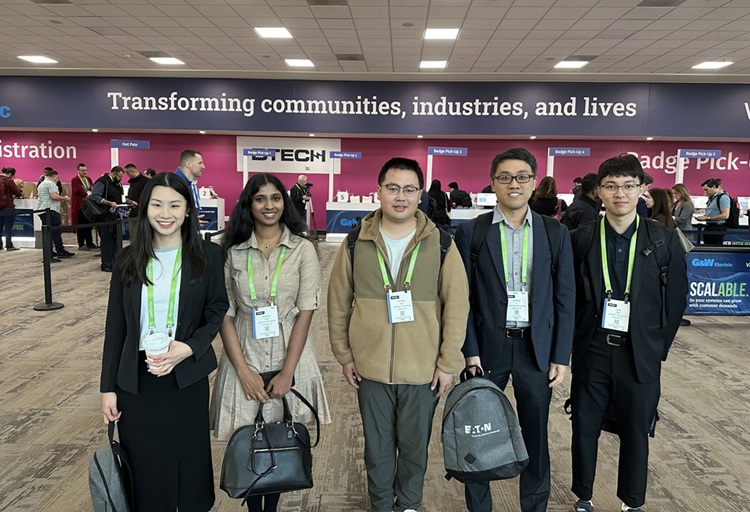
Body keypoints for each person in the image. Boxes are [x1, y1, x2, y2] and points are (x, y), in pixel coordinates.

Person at [328, 157, 469, 512]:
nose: (400, 197)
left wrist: (448, 362)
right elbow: (338, 301)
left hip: (423, 370)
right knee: (376, 450)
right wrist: (344, 355)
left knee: (414, 448)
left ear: (420, 194)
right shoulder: (356, 241)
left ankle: (407, 504)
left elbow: (457, 305)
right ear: (379, 191)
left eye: (409, 189)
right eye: (393, 188)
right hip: (371, 367)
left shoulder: (441, 243)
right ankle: (381, 505)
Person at [454, 147, 575, 512]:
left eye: (522, 177)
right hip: (487, 349)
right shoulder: (472, 232)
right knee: (478, 434)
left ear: (534, 182)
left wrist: (560, 355)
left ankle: (534, 506)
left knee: (535, 437)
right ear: (492, 183)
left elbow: (565, 297)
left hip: (535, 350)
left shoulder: (555, 232)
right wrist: (470, 352)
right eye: (504, 177)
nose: (514, 184)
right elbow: (461, 299)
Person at [100, 172, 227, 512]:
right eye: (157, 205)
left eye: (175, 205)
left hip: (185, 374)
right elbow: (116, 327)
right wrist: (108, 388)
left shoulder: (208, 256)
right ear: (145, 208)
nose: (165, 213)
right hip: (136, 380)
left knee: (189, 462)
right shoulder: (128, 259)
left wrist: (189, 347)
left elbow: (217, 309)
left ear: (188, 210)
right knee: (144, 466)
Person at [569, 154, 687, 512]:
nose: (620, 193)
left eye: (628, 186)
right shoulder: (581, 238)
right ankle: (583, 496)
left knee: (636, 430)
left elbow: (675, 301)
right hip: (592, 350)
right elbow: (567, 298)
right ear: (599, 191)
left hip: (639, 354)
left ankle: (632, 501)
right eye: (611, 186)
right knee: (584, 427)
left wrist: (656, 348)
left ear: (641, 190)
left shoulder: (664, 239)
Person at [210, 173, 331, 512]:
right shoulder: (231, 252)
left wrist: (288, 372)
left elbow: (306, 312)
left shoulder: (303, 249)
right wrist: (243, 372)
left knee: (280, 435)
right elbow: (225, 314)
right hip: (243, 351)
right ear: (248, 204)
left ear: (284, 202)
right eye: (260, 198)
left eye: (275, 198)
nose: (269, 205)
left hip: (289, 350)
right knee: (248, 436)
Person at [91, 166, 125, 272]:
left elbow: (118, 198)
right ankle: (106, 264)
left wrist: (126, 202)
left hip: (114, 215)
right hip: (104, 216)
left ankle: (114, 263)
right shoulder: (102, 182)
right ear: (114, 174)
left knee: (115, 239)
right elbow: (95, 196)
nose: (121, 179)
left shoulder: (116, 184)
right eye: (119, 177)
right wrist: (109, 203)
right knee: (107, 240)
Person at [37, 168, 74, 260]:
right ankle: (60, 250)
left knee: (47, 232)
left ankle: (49, 251)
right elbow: (53, 196)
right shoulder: (51, 184)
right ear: (53, 176)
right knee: (56, 231)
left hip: (42, 211)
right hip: (51, 210)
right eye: (57, 178)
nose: (57, 180)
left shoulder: (41, 184)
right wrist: (64, 198)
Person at [71, 163, 97, 251]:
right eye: (82, 170)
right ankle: (81, 244)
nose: (84, 172)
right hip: (80, 206)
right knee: (81, 225)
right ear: (78, 171)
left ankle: (90, 243)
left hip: (89, 206)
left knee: (89, 225)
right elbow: (78, 190)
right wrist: (88, 194)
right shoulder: (75, 180)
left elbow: (92, 188)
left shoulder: (88, 179)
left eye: (85, 170)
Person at [175, 149, 205, 223]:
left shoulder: (192, 184)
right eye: (200, 163)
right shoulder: (175, 185)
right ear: (188, 164)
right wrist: (189, 221)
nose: (203, 166)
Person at [696, 178, 729, 245]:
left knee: (715, 248)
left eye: (706, 189)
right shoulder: (713, 198)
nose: (705, 192)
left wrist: (708, 218)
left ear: (713, 187)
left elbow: (725, 215)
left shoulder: (723, 197)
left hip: (717, 228)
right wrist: (705, 217)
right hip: (709, 226)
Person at [0, 167, 23, 251]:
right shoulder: (9, 181)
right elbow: (16, 192)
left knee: (0, 227)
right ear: (10, 174)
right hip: (8, 206)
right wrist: (20, 194)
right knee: (8, 227)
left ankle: (0, 245)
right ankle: (9, 245)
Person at [124, 163, 148, 236]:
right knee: (133, 234)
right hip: (132, 213)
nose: (127, 175)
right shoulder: (132, 182)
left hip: (143, 213)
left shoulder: (146, 181)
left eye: (127, 173)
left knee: (143, 234)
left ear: (132, 171)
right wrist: (128, 200)